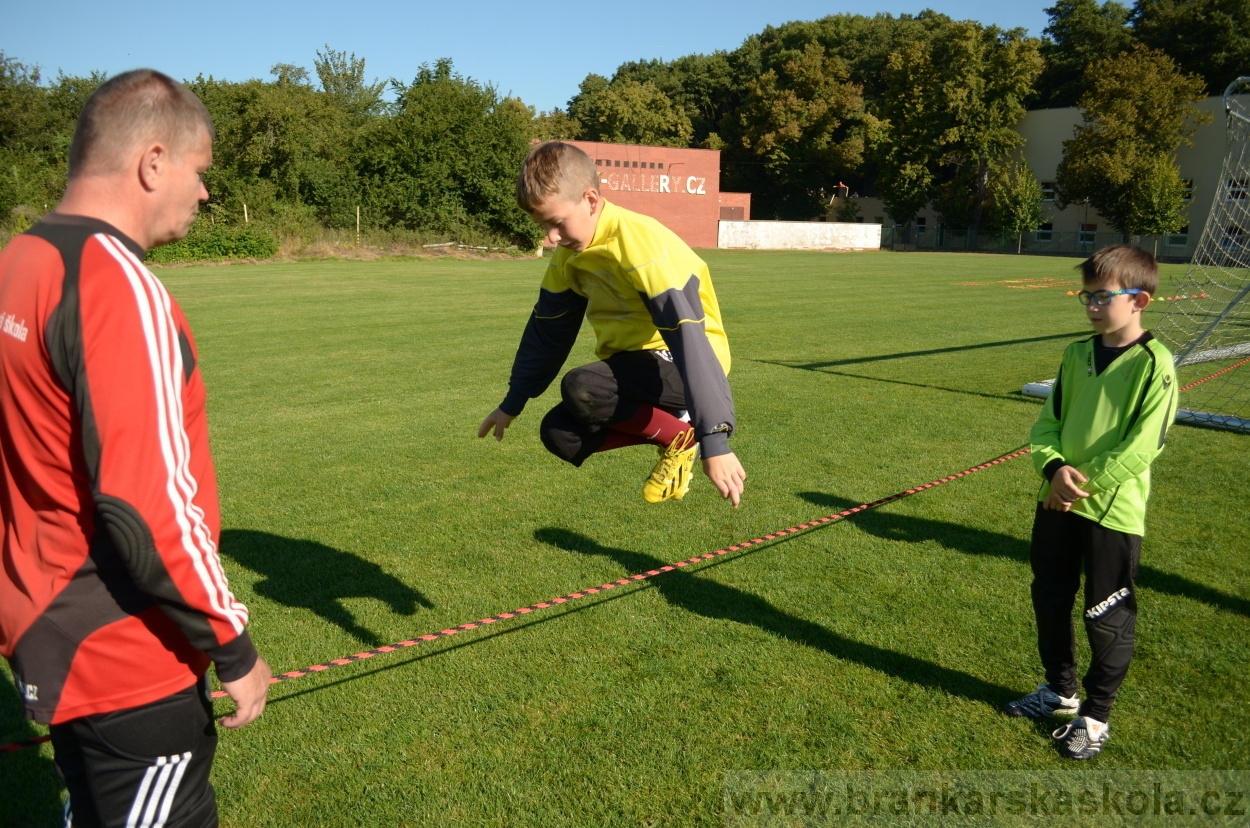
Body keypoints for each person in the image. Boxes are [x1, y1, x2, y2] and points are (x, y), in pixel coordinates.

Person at [0, 69, 271, 826]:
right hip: (125, 658)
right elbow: (144, 508)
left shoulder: (18, 262)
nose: (206, 192)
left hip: (46, 633)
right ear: (153, 162)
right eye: (200, 170)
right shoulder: (117, 284)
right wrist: (234, 646)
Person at [477, 142, 747, 507]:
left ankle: (686, 438)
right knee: (559, 433)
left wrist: (715, 438)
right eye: (543, 226)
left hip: (686, 362)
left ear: (590, 200)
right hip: (633, 367)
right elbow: (548, 332)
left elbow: (689, 340)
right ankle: (677, 433)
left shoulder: (643, 245)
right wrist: (513, 402)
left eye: (556, 223)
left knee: (583, 386)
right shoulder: (569, 257)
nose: (551, 237)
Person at [1004, 245, 1177, 759]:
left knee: (1107, 614)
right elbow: (1047, 424)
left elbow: (1146, 444)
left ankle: (1095, 716)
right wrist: (1053, 469)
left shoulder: (1155, 363)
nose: (1092, 306)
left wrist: (1083, 484)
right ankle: (1059, 689)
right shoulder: (1076, 353)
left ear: (1139, 298)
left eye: (1104, 296)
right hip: (1054, 502)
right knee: (1050, 598)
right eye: (1087, 296)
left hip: (1111, 511)